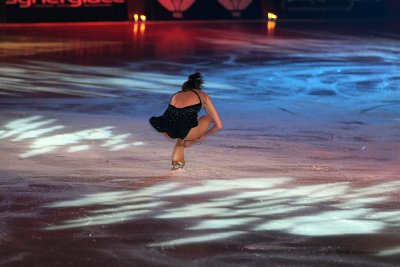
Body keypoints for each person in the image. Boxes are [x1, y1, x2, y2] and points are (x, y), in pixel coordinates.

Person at [149, 73, 223, 170]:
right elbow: (219, 125)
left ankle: (178, 158)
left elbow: (173, 116)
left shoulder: (176, 95)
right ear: (197, 88)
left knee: (182, 123)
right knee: (207, 117)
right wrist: (203, 135)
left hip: (167, 130)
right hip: (185, 131)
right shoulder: (202, 95)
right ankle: (182, 144)